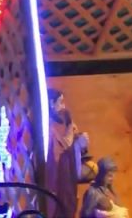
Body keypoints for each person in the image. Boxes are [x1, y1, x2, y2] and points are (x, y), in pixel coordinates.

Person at [45, 89, 94, 217]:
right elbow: (62, 145)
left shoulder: (65, 120)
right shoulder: (48, 125)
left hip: (67, 171)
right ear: (51, 103)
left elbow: (70, 142)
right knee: (56, 203)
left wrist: (79, 141)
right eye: (60, 102)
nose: (63, 106)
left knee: (68, 199)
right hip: (55, 173)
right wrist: (74, 140)